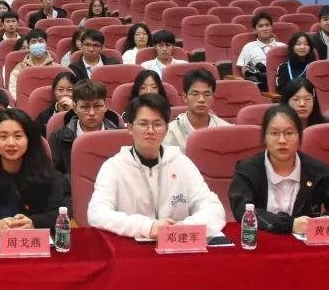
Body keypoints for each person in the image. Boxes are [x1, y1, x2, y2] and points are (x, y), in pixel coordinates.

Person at [87, 94, 226, 239]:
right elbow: (97, 213)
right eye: (143, 124)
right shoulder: (114, 167)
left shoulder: (181, 163)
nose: (150, 130)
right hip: (130, 247)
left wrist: (183, 228)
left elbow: (213, 208)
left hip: (175, 244)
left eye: (157, 124)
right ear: (129, 128)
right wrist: (147, 227)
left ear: (166, 129)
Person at [228, 105, 329, 234]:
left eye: (289, 133)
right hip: (260, 242)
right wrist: (290, 225)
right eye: (274, 133)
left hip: (305, 244)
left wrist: (324, 221)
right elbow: (242, 210)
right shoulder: (248, 169)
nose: (282, 140)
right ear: (264, 138)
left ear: (299, 137)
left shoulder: (317, 171)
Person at [0, 109, 66, 236]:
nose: (11, 143)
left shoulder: (49, 176)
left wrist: (34, 223)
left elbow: (61, 213)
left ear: (29, 139)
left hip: (32, 243)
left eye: (18, 136)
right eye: (3, 137)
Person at [50, 79, 118, 176]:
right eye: (85, 107)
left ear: (105, 106)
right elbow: (53, 175)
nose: (92, 113)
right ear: (75, 108)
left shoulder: (118, 135)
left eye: (97, 106)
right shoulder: (59, 137)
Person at [163, 69, 230, 148]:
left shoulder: (226, 129)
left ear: (213, 98)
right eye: (195, 94)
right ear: (185, 97)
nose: (201, 99)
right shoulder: (169, 132)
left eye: (206, 94)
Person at [236, 12, 285, 91]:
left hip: (282, 82)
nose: (265, 28)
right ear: (255, 30)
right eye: (261, 26)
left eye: (267, 25)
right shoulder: (248, 47)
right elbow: (246, 73)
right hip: (261, 87)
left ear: (271, 27)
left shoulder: (283, 46)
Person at [8, 29, 56, 97]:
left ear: (46, 44)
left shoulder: (56, 67)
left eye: (41, 41)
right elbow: (13, 90)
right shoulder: (20, 68)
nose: (37, 44)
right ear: (28, 45)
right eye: (33, 42)